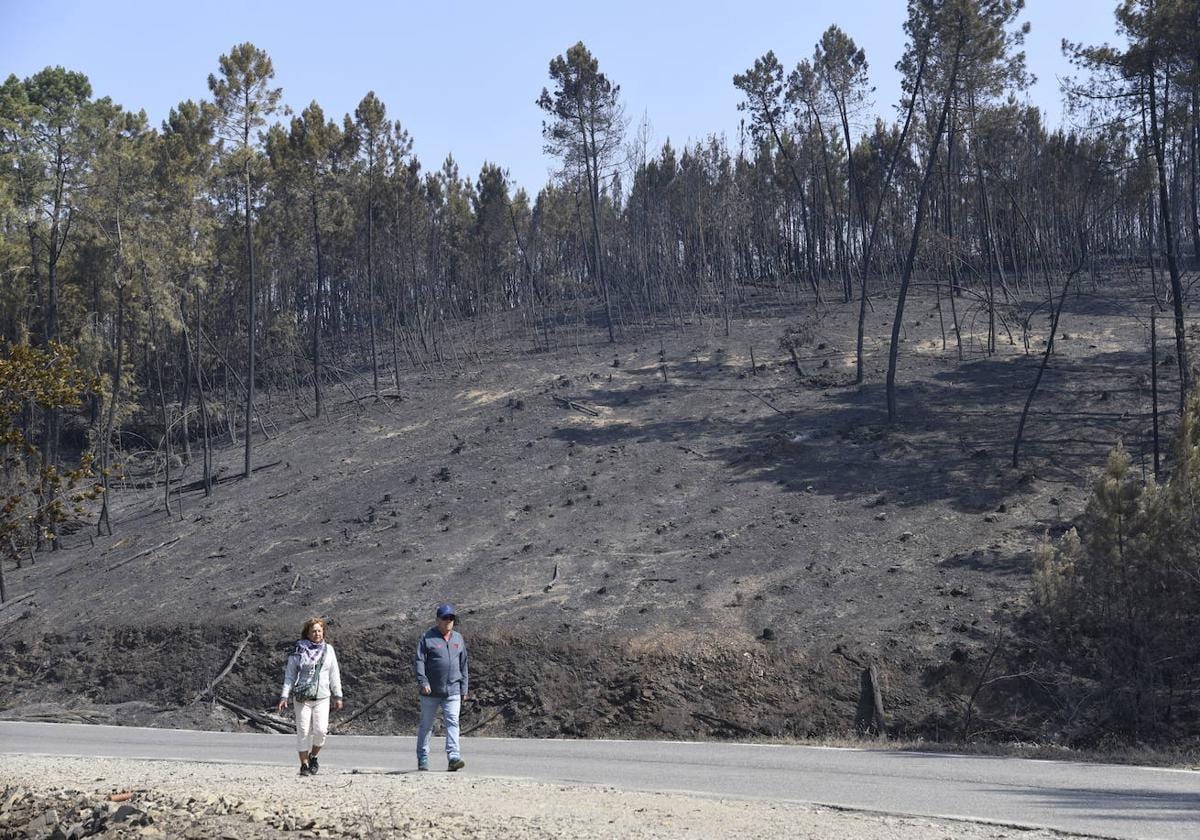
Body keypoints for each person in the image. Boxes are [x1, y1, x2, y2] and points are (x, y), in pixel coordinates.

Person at [278, 616, 344, 776]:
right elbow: (290, 675)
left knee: (321, 731)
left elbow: (334, 674)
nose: (317, 634)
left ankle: (313, 756)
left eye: (319, 631)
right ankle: (304, 765)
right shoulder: (298, 650)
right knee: (303, 731)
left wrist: (338, 695)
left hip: (322, 696)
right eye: (313, 631)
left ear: (323, 632)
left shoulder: (329, 650)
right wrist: (284, 696)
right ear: (307, 633)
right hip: (302, 697)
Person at [414, 603, 469, 772]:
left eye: (451, 618)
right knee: (426, 724)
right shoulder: (427, 638)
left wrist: (464, 688)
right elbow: (419, 661)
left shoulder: (458, 638)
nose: (448, 621)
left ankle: (453, 757)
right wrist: (423, 682)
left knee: (453, 722)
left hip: (452, 689)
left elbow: (464, 664)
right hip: (430, 692)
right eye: (445, 618)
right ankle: (422, 756)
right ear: (438, 619)